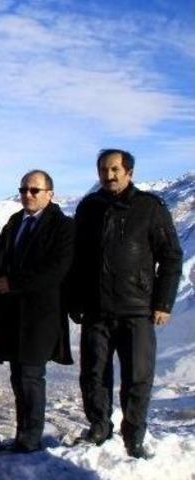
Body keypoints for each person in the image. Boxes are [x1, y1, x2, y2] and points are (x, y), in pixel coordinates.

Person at [70, 149, 182, 459]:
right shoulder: (88, 208)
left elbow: (171, 256)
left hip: (138, 308)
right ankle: (98, 427)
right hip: (96, 308)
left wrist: (163, 302)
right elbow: (76, 259)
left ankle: (134, 437)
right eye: (104, 170)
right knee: (93, 373)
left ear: (129, 172)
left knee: (138, 376)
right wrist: (75, 299)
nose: (109, 175)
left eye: (115, 169)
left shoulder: (149, 207)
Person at [0, 170, 74, 453]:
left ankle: (30, 439)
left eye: (35, 190)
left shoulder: (62, 227)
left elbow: (56, 269)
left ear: (50, 193)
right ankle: (22, 435)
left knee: (31, 377)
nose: (28, 194)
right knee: (17, 376)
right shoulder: (14, 222)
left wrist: (13, 283)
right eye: (24, 189)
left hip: (40, 316)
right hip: (13, 315)